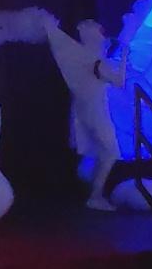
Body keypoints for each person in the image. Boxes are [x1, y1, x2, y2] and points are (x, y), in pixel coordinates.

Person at [45, 17, 128, 211]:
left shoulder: (86, 59)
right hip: (96, 112)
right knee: (111, 152)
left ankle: (94, 191)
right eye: (101, 34)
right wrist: (125, 54)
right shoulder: (96, 62)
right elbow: (120, 81)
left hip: (89, 111)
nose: (104, 37)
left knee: (103, 151)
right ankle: (95, 195)